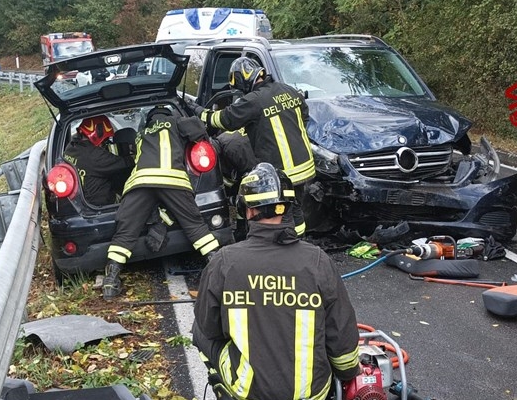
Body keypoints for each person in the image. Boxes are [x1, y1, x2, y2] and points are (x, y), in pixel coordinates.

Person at [192, 163, 360, 400]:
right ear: (288, 209)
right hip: (311, 393)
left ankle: (224, 388)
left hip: (248, 392)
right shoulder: (318, 262)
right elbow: (341, 337)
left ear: (248, 210)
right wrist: (348, 373)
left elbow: (209, 327)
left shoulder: (224, 262)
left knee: (198, 329)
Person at [102, 105, 221, 300]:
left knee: (125, 232)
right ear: (168, 114)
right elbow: (199, 131)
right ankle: (219, 271)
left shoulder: (141, 134)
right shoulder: (176, 121)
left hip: (140, 182)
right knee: (195, 227)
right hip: (173, 179)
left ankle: (110, 283)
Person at [193, 57, 315, 237]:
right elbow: (304, 116)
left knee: (282, 214)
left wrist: (198, 111)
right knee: (296, 209)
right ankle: (301, 244)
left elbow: (224, 120)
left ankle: (286, 248)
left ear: (243, 79)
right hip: (304, 166)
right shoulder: (288, 90)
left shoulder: (254, 100)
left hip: (282, 171)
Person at [63, 116, 135, 206]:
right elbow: (125, 164)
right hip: (102, 203)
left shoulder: (71, 147)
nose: (104, 143)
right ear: (97, 134)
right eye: (105, 140)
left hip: (79, 201)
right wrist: (137, 157)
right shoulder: (95, 155)